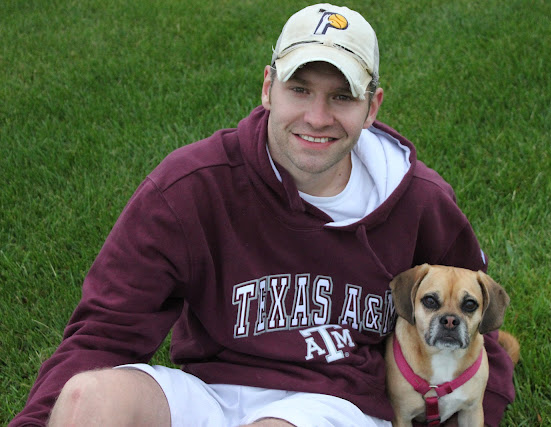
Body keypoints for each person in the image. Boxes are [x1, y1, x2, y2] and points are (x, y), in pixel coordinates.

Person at [10, 3, 515, 427]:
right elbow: (104, 331)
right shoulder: (191, 185)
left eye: (342, 97)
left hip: (333, 403)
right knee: (88, 399)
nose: (317, 117)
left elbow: (480, 328)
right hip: (208, 392)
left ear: (372, 106)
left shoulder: (418, 199)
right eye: (300, 89)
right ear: (268, 86)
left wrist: (483, 409)